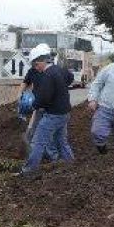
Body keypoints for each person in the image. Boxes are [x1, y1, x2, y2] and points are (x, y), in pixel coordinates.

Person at [19, 43, 75, 176]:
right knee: (61, 141)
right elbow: (70, 78)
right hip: (64, 113)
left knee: (38, 142)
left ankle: (28, 171)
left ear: (42, 61)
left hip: (53, 115)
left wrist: (32, 106)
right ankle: (72, 165)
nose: (35, 68)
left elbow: (44, 98)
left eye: (36, 65)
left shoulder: (48, 75)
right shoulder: (59, 70)